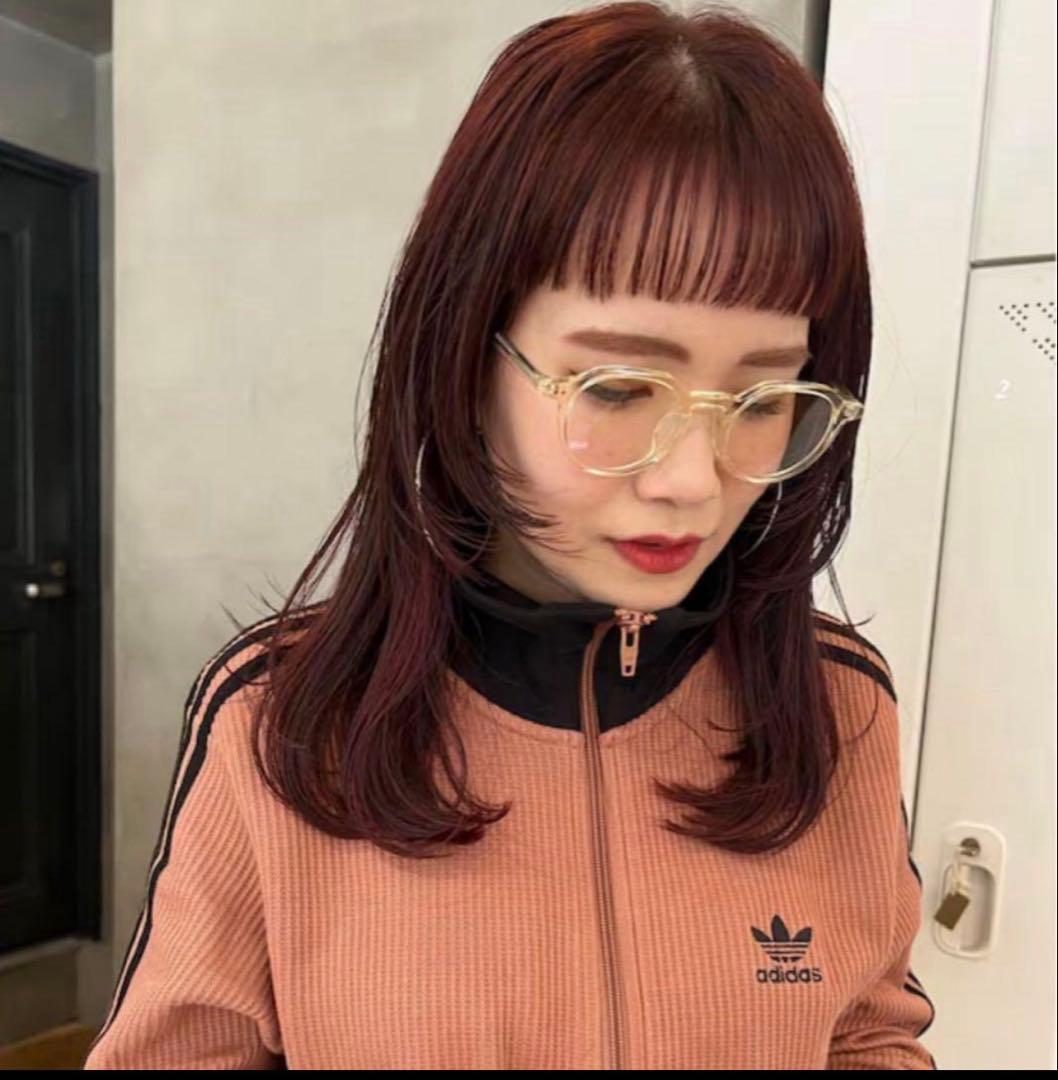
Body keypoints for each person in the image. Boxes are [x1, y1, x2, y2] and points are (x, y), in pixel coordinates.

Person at [83, 1, 937, 1069]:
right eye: (617, 387)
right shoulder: (278, 722)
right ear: (465, 358)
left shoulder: (838, 708)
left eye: (762, 399)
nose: (690, 480)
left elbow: (867, 1029)